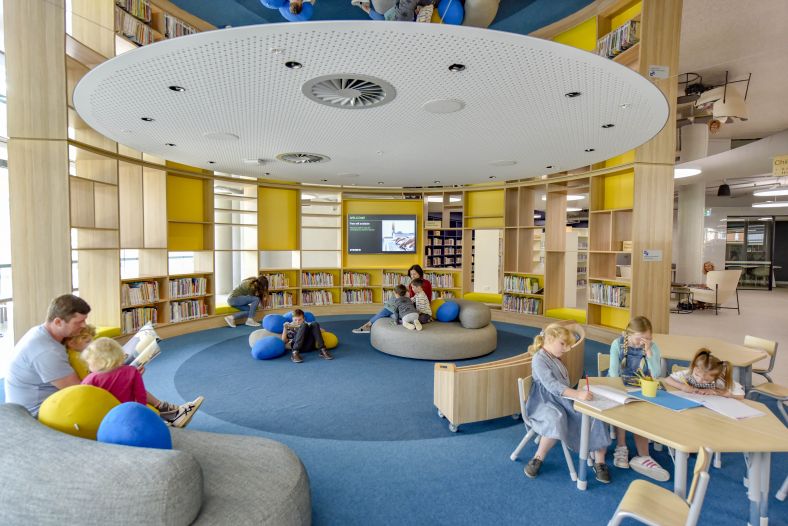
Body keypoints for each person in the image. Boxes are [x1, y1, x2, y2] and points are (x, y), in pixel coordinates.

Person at [523, 322, 612, 483]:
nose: (565, 349)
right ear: (549, 339)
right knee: (555, 418)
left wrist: (576, 395)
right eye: (562, 344)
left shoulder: (555, 357)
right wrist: (577, 393)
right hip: (544, 402)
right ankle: (538, 457)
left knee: (595, 414)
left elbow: (562, 384)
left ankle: (600, 461)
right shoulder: (539, 359)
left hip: (561, 399)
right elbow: (552, 385)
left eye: (567, 345)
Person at [70, 329, 204, 428]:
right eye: (87, 340)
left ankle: (171, 414)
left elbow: (83, 396)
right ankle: (170, 414)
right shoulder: (131, 371)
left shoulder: (92, 378)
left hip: (107, 417)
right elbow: (140, 397)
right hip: (129, 413)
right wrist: (142, 415)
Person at [5, 295, 91, 416]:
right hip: (34, 415)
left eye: (84, 320)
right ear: (58, 322)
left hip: (42, 401)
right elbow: (79, 391)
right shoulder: (47, 352)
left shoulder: (42, 331)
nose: (84, 325)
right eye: (79, 322)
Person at [607, 316, 669, 481]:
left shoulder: (652, 347)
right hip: (621, 385)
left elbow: (656, 375)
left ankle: (644, 456)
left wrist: (649, 353)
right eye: (640, 338)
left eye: (648, 338)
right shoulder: (617, 344)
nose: (644, 341)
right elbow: (613, 374)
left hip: (642, 386)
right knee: (624, 408)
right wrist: (624, 391)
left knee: (642, 412)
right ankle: (621, 446)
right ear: (628, 335)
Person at [352, 265, 432, 333]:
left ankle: (368, 325)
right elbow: (412, 297)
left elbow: (424, 298)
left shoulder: (424, 283)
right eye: (411, 274)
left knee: (392, 304)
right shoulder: (412, 283)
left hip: (418, 307)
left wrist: (405, 299)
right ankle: (369, 324)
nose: (412, 276)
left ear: (420, 273)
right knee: (395, 298)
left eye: (414, 274)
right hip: (412, 304)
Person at [663, 348, 744, 399]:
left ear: (716, 377)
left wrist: (717, 392)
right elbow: (668, 379)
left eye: (706, 380)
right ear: (694, 368)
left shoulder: (719, 380)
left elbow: (741, 395)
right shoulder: (688, 374)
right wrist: (682, 386)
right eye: (697, 375)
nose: (699, 381)